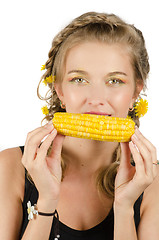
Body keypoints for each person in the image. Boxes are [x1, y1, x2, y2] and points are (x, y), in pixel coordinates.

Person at [0, 11, 159, 240]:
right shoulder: (11, 168)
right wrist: (46, 201)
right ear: (60, 90)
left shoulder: (153, 183)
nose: (96, 98)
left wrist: (124, 209)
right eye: (79, 79)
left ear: (135, 91)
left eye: (115, 80)